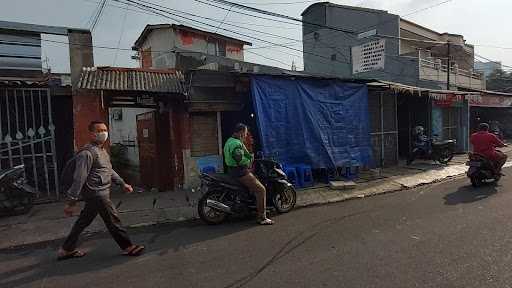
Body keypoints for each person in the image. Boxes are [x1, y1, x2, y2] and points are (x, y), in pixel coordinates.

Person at [57, 121, 145, 260]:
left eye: (104, 130)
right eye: (99, 130)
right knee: (113, 219)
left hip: (100, 193)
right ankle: (127, 246)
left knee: (83, 222)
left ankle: (66, 249)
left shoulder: (102, 151)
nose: (103, 133)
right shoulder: (86, 153)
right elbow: (79, 178)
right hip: (96, 193)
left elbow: (108, 170)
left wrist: (122, 183)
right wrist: (71, 201)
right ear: (91, 133)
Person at [224, 123, 273, 225]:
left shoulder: (230, 141)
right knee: (261, 190)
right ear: (241, 132)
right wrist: (248, 162)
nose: (246, 135)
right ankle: (262, 217)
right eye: (245, 133)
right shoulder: (236, 144)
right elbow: (239, 159)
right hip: (241, 172)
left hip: (232, 171)